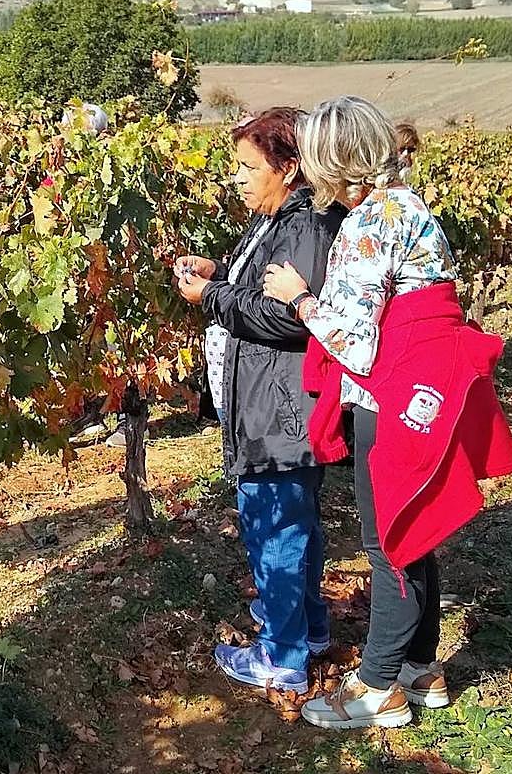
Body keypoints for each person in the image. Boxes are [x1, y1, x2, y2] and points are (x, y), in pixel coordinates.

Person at [262, 95, 512, 729]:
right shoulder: (411, 207)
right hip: (426, 391)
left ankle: (377, 685)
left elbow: (356, 340)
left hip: (389, 397)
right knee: (416, 532)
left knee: (389, 546)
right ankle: (422, 669)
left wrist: (299, 300)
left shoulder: (367, 224)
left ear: (333, 161)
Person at [174, 107, 343, 695]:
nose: (237, 179)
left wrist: (211, 296)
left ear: (289, 166)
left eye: (248, 167)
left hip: (281, 408)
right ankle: (306, 628)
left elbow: (287, 315)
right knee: (291, 524)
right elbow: (264, 285)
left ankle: (283, 659)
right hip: (267, 403)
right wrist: (220, 271)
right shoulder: (280, 217)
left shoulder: (307, 225)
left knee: (276, 528)